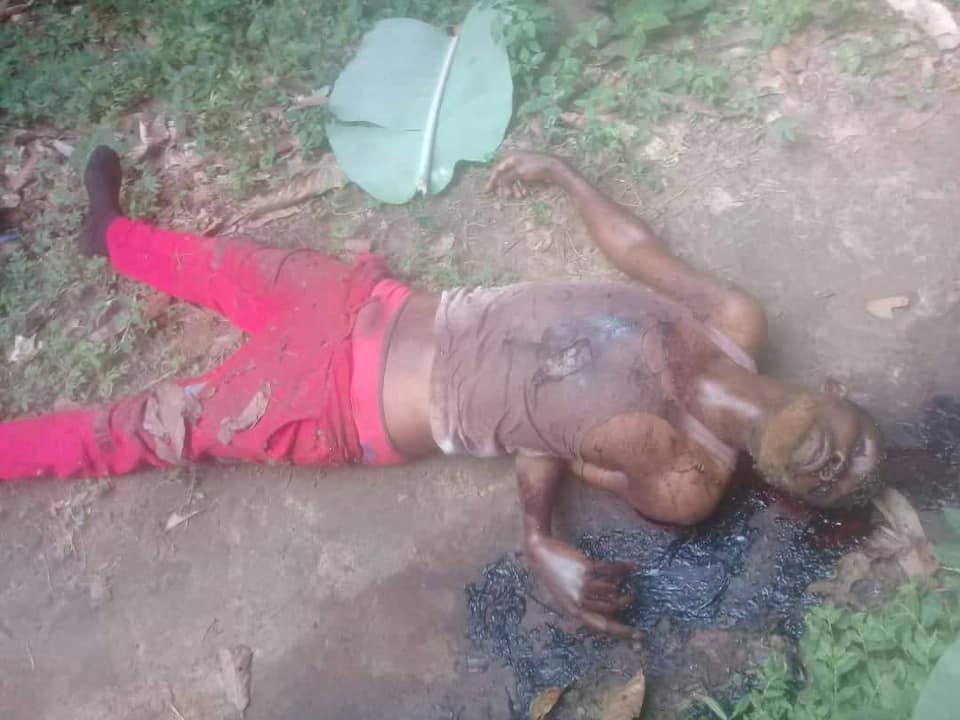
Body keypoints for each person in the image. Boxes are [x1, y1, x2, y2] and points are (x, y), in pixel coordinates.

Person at [0, 146, 884, 636]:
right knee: (220, 266)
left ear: (789, 491)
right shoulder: (733, 318)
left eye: (836, 485)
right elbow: (639, 251)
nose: (838, 464)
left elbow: (549, 432)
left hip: (336, 402)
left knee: (140, 428)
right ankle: (109, 235)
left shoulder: (688, 481)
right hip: (368, 304)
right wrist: (566, 174)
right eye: (860, 449)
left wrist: (539, 537)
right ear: (838, 391)